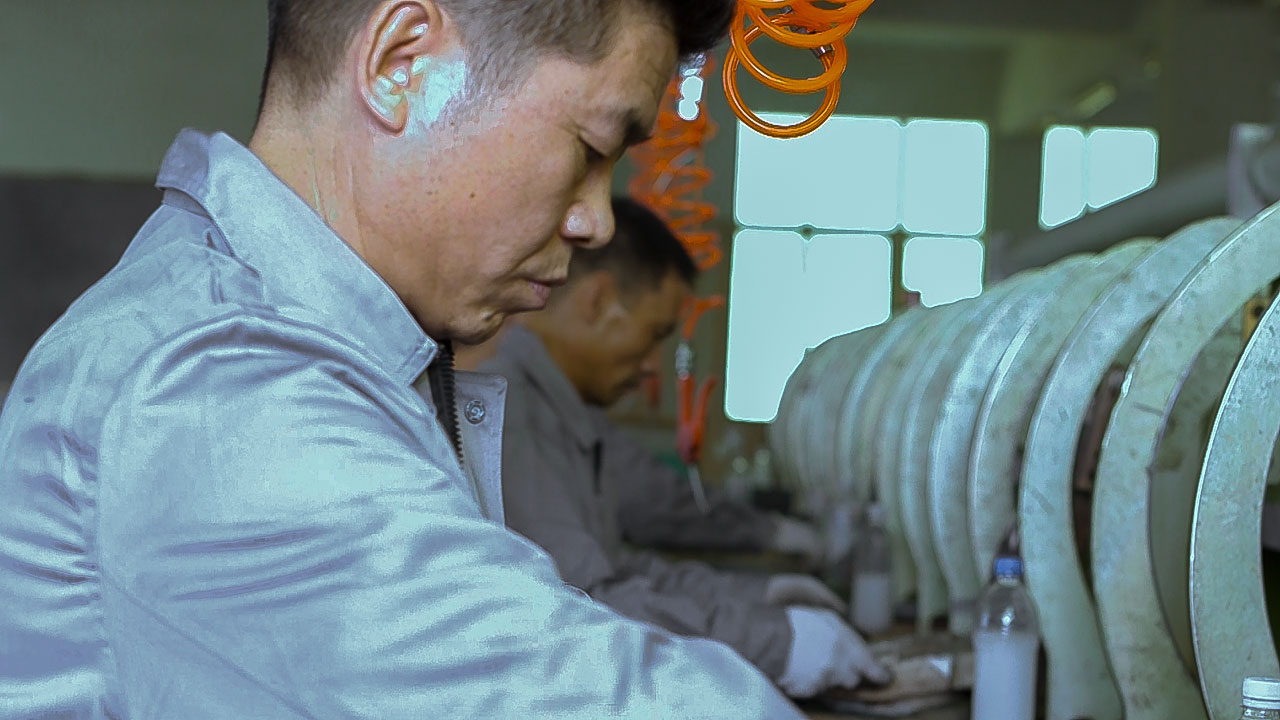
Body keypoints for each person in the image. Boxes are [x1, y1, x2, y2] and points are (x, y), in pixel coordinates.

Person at [0, 2, 812, 718]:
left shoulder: (303, 351)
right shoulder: (218, 387)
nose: (596, 221)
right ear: (402, 64)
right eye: (593, 147)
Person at [481, 196, 891, 699]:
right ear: (597, 300)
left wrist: (753, 594)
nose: (652, 366)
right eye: (655, 335)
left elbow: (617, 567)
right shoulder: (513, 415)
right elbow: (585, 601)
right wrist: (775, 641)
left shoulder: (564, 413)